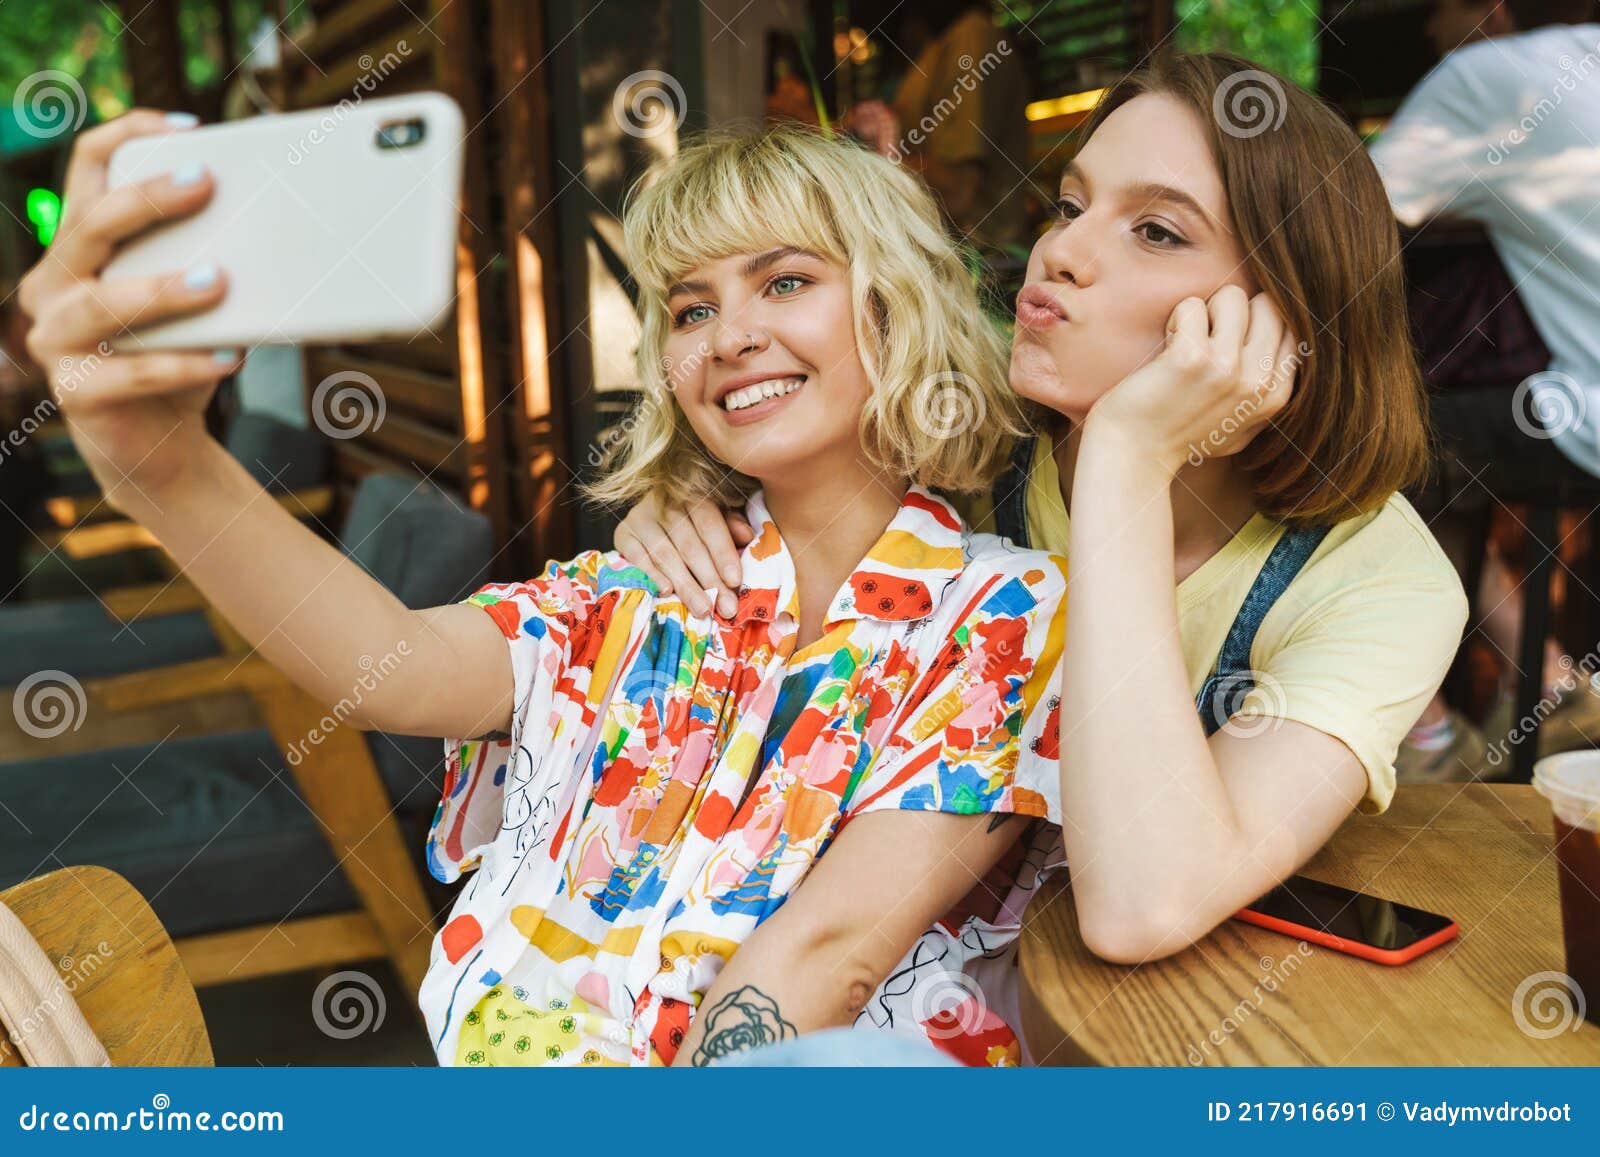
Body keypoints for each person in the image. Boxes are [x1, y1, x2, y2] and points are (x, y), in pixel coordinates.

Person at [17, 118, 1068, 1066]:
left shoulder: (1006, 616)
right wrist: (159, 464)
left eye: (784, 281)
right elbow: (393, 666)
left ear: (898, 301)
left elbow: (816, 967)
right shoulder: (633, 592)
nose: (727, 336)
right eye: (690, 307)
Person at [615, 53, 1468, 1055]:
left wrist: (1122, 462)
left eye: (1155, 230)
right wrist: (684, 508)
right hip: (820, 976)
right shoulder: (951, 433)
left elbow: (1141, 902)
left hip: (1142, 1041)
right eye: (1070, 205)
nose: (1059, 252)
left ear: (1285, 318)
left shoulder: (1378, 583)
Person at [1370, 0, 1600, 774]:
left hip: (1584, 415)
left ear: (1487, 10)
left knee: (1361, 445)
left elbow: (1342, 214)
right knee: (1440, 454)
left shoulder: (1490, 78)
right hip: (1558, 405)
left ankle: (1422, 738)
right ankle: (1554, 684)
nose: (1430, 31)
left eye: (1435, 9)